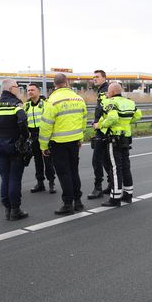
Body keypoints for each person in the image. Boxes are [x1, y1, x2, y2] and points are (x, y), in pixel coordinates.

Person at [39, 73, 88, 215]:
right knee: (74, 171)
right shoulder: (78, 98)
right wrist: (80, 138)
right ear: (66, 82)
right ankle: (78, 201)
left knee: (63, 173)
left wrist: (43, 146)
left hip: (59, 142)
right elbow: (84, 120)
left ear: (54, 84)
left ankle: (68, 203)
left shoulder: (52, 101)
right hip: (74, 141)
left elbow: (46, 126)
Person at [0, 79, 29, 220]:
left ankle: (7, 209)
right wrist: (23, 138)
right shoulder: (16, 104)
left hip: (0, 146)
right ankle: (15, 210)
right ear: (11, 88)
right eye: (17, 87)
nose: (18, 90)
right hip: (15, 146)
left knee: (5, 178)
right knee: (14, 178)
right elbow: (23, 123)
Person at [94, 82, 142, 207]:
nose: (107, 94)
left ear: (112, 92)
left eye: (108, 92)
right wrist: (126, 123)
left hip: (114, 138)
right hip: (126, 137)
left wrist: (99, 125)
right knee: (126, 167)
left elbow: (113, 118)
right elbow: (138, 115)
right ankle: (128, 195)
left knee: (115, 168)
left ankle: (115, 198)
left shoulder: (111, 102)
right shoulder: (129, 102)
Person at [24, 83, 56, 194]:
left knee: (48, 160)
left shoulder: (45, 104)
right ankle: (40, 183)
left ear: (38, 91)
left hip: (44, 135)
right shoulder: (26, 105)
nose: (30, 92)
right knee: (37, 160)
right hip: (32, 136)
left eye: (32, 90)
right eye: (28, 90)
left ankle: (51, 182)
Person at [88, 69, 110, 199]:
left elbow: (107, 111)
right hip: (102, 129)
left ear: (104, 78)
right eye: (93, 77)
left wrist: (99, 124)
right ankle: (111, 184)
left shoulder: (106, 91)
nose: (94, 79)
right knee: (105, 159)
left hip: (103, 130)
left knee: (97, 160)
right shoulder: (102, 90)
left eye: (97, 77)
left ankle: (98, 188)